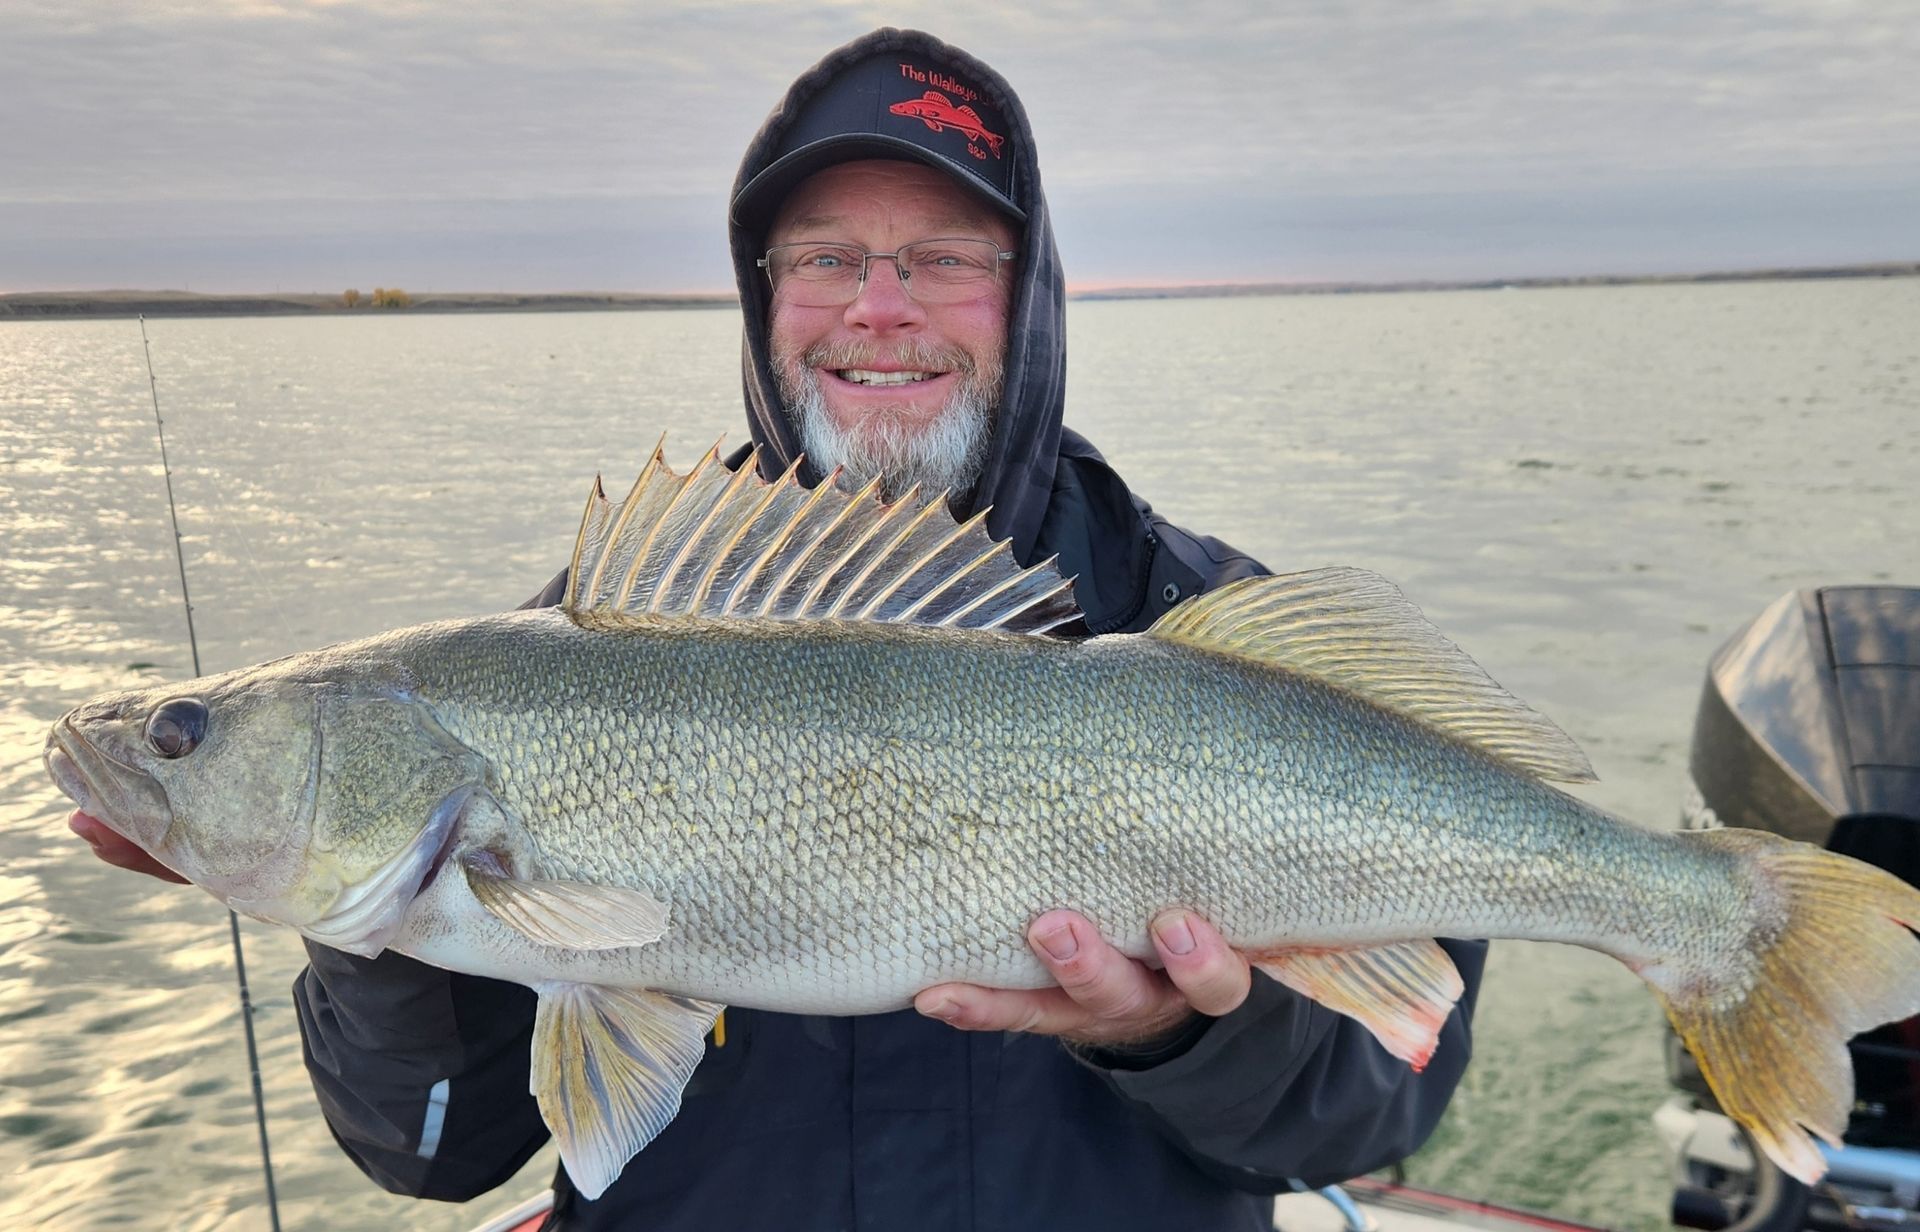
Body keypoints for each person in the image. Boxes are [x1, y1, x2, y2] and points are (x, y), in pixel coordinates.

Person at [75, 27, 1484, 1230]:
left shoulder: (1207, 627)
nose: (879, 308)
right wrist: (358, 917)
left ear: (1031, 295)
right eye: (824, 258)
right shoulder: (558, 653)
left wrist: (1178, 1032)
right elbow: (430, 1152)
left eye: (942, 257)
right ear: (764, 303)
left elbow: (1365, 1117)